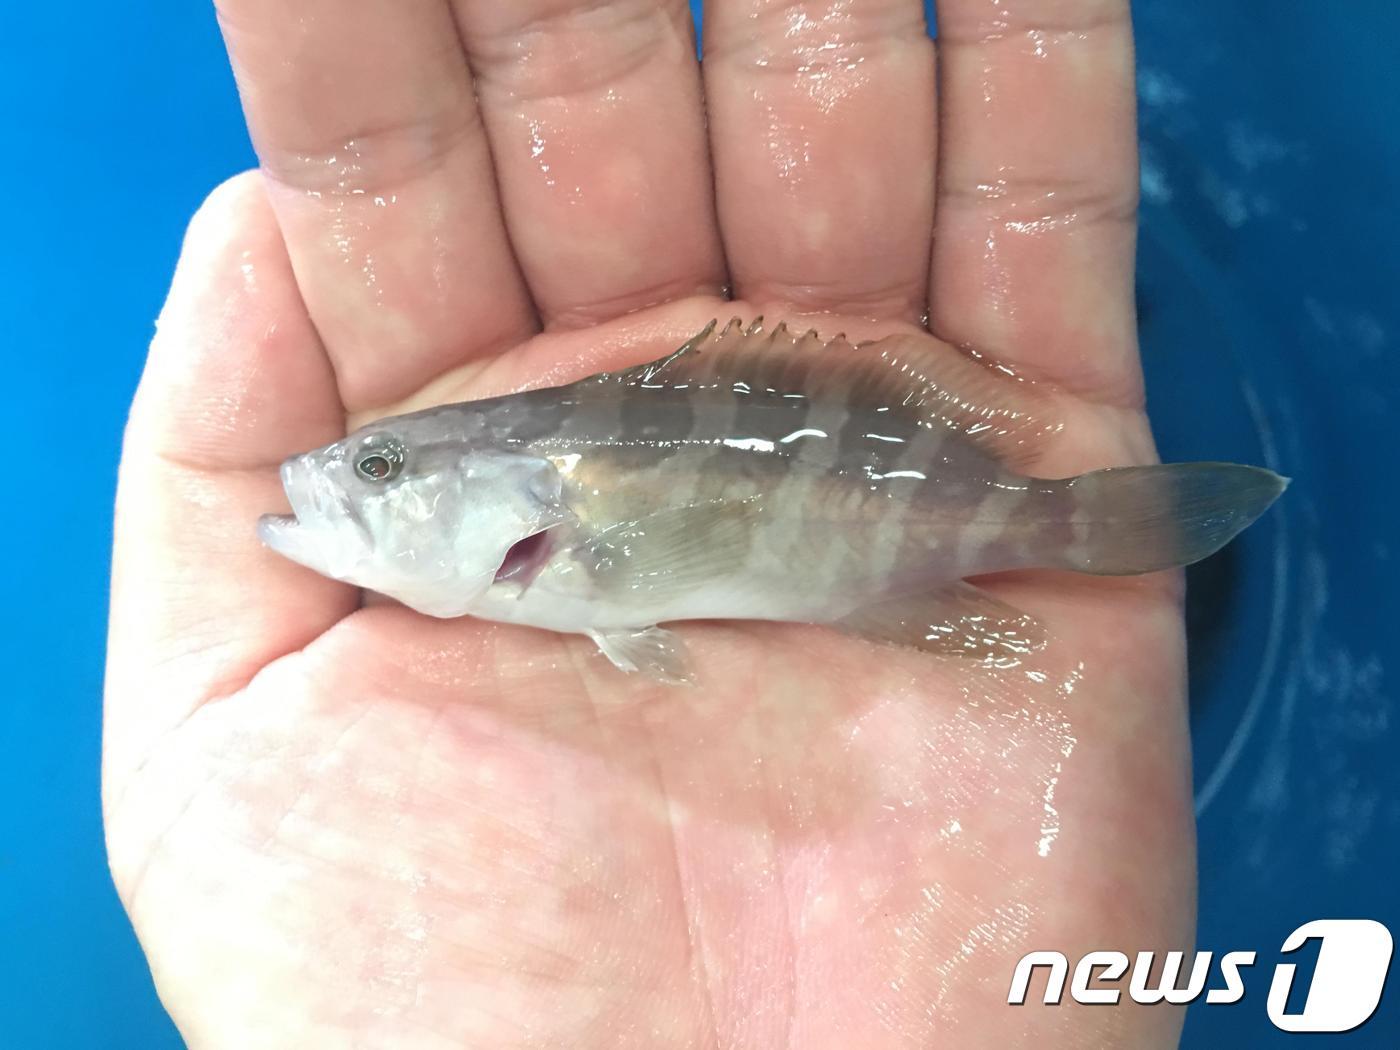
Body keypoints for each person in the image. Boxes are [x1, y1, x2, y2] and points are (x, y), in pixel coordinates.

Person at [105, 0, 1191, 1045]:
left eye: (381, 467)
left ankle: (1077, 527)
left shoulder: (548, 552)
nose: (329, 480)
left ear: (514, 493)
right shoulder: (537, 556)